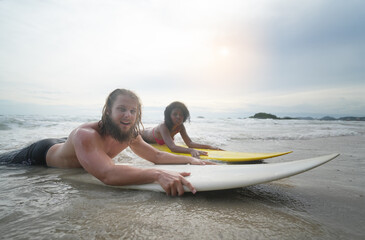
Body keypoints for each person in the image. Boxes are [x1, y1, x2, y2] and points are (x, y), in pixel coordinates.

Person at [0, 89, 214, 196]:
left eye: (133, 111)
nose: (128, 115)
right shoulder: (86, 135)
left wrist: (188, 159)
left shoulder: (128, 134)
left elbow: (156, 156)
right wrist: (157, 174)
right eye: (122, 109)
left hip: (70, 146)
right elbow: (108, 174)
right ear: (108, 110)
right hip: (38, 155)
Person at [141, 101, 222, 158]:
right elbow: (172, 147)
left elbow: (190, 143)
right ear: (169, 115)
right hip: (142, 135)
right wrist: (191, 151)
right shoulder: (163, 126)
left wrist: (210, 147)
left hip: (152, 134)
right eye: (175, 114)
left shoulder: (180, 126)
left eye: (181, 115)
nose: (178, 117)